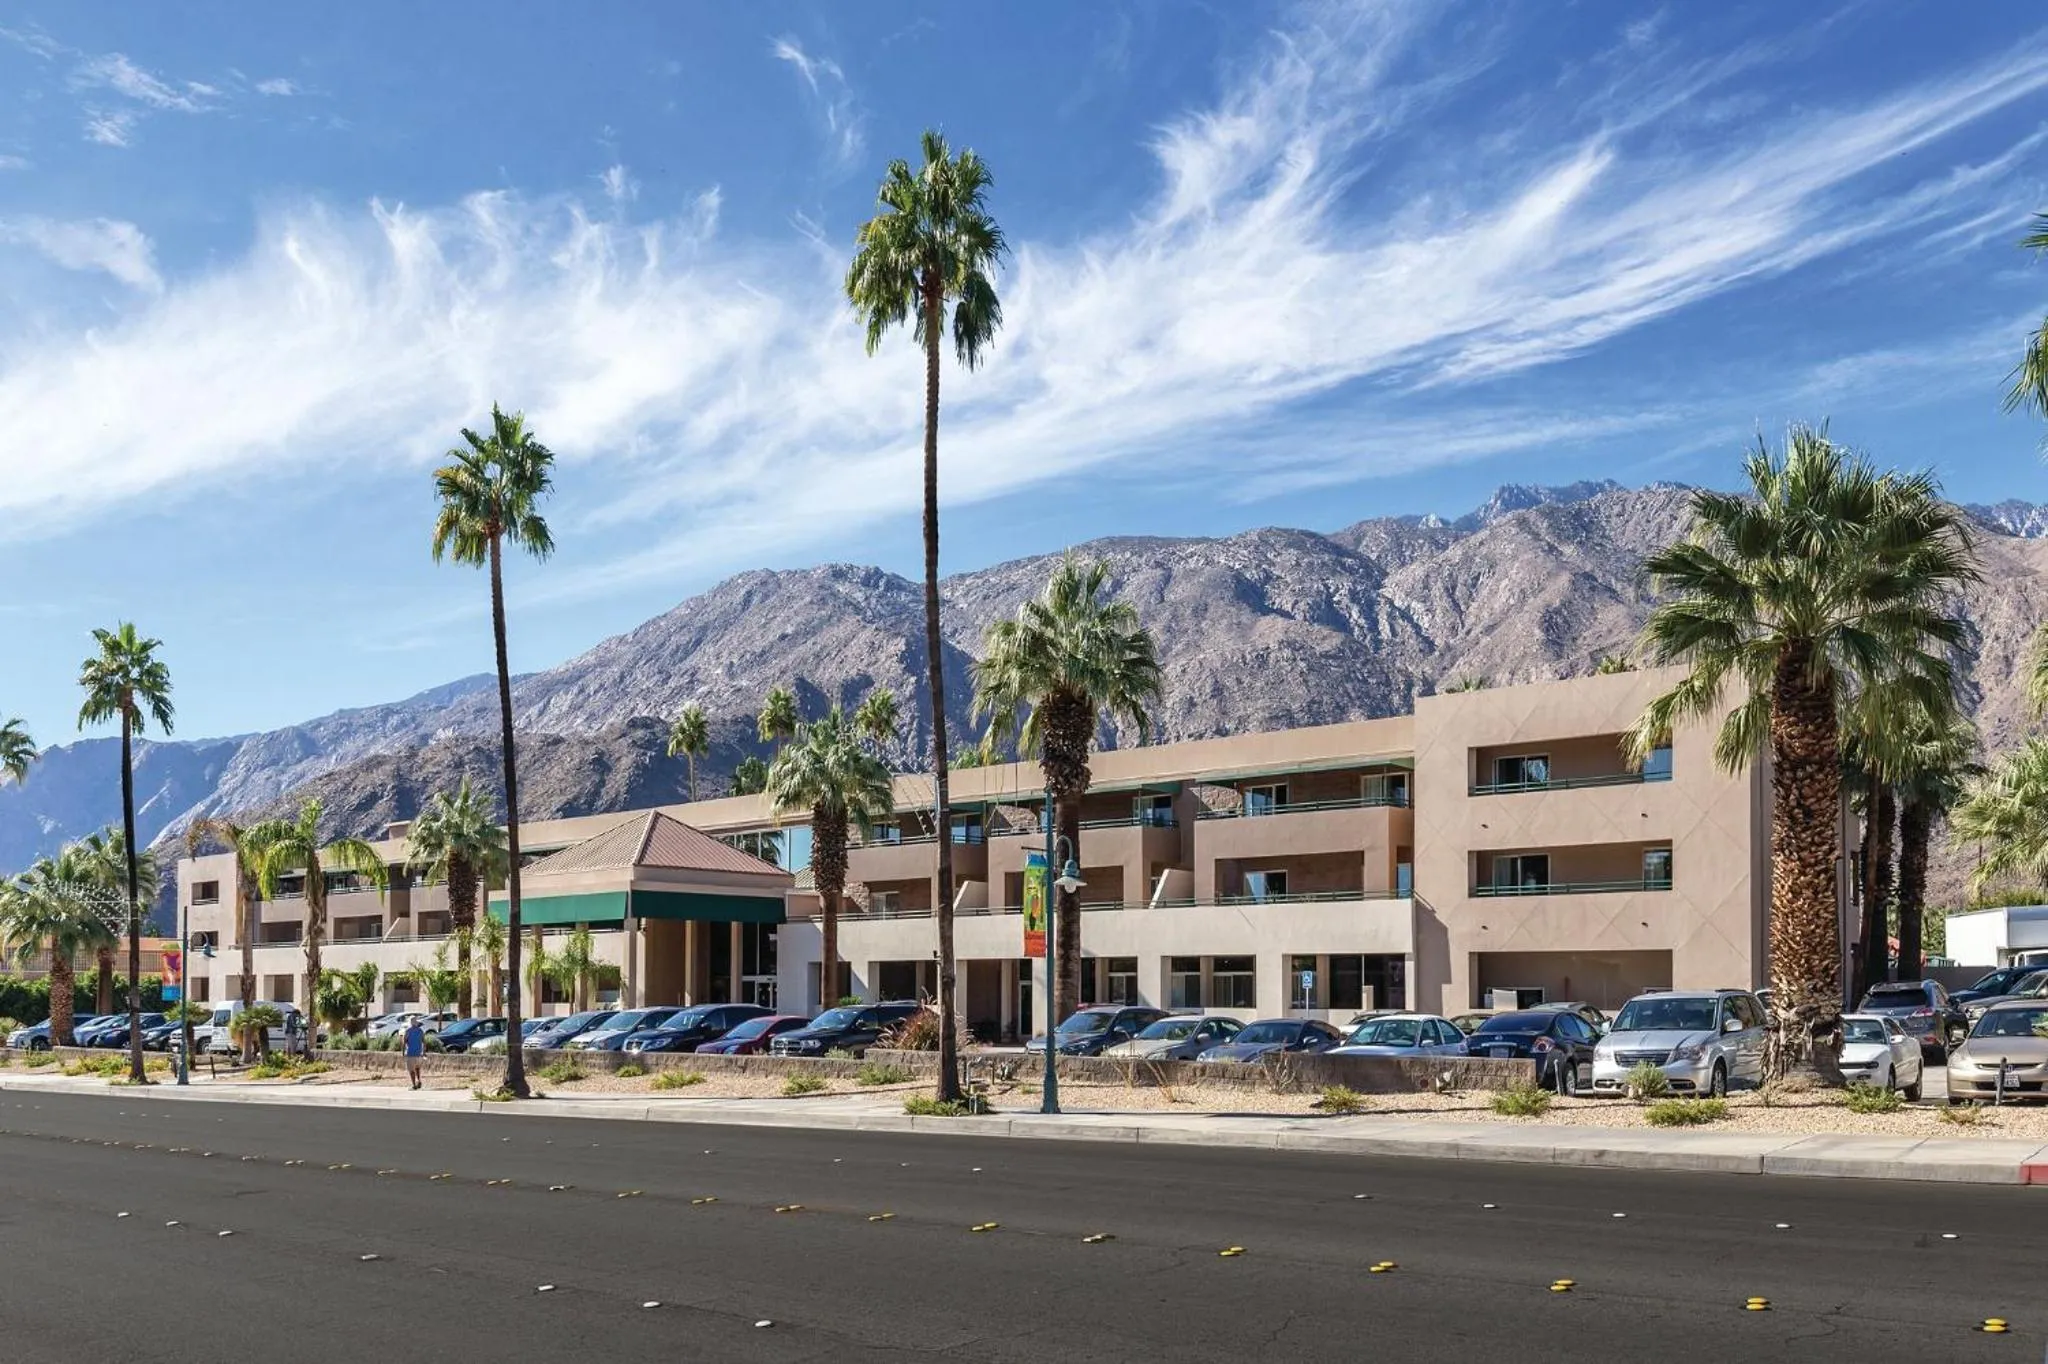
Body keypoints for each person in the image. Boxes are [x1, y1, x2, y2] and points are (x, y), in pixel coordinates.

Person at [402, 1016, 427, 1090]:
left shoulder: (408, 1031)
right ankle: (419, 1081)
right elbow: (424, 1042)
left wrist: (403, 1053)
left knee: (411, 1070)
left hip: (410, 1054)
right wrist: (424, 1052)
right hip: (419, 1054)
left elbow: (404, 1042)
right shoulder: (420, 1031)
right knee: (417, 1068)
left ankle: (414, 1085)